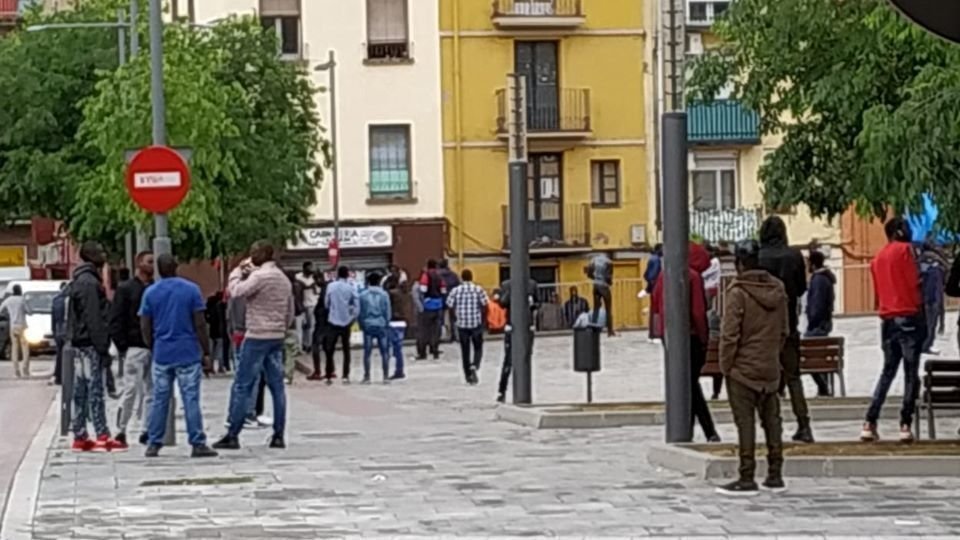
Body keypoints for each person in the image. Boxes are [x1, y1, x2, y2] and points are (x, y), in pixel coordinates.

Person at [716, 239, 789, 496]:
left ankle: (747, 476)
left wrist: (726, 365)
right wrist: (772, 355)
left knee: (745, 423)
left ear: (739, 264)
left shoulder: (737, 293)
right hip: (770, 367)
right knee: (772, 421)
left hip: (743, 370)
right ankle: (775, 473)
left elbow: (729, 335)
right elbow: (784, 331)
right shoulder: (778, 290)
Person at [214, 240, 294, 450]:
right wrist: (281, 328)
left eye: (253, 253)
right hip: (276, 336)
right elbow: (290, 311)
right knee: (277, 387)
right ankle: (279, 435)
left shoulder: (260, 276)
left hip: (257, 335)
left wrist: (236, 272)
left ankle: (233, 434)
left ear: (262, 255)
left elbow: (236, 292)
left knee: (243, 384)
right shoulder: (283, 278)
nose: (251, 257)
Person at [139, 254, 218, 458]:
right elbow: (200, 323)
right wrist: (206, 351)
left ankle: (154, 442)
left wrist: (152, 345)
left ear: (158, 269)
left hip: (162, 352)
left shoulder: (150, 292)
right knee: (190, 398)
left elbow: (145, 324)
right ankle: (197, 442)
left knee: (160, 399)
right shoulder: (191, 290)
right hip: (188, 351)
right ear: (176, 267)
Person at [861, 218, 925, 444]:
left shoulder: (877, 258)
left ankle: (870, 421)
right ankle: (905, 424)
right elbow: (915, 282)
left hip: (887, 320)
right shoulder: (907, 250)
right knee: (910, 373)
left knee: (887, 371)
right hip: (909, 316)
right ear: (899, 231)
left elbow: (878, 293)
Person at [650, 242, 720, 442]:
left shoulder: (664, 275)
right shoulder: (693, 277)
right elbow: (697, 312)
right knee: (691, 386)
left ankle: (690, 430)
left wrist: (659, 333)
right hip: (691, 338)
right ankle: (708, 431)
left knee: (686, 386)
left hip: (669, 338)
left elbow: (655, 305)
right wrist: (704, 338)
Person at [758, 215, 814, 443]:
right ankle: (804, 424)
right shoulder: (794, 256)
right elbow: (800, 289)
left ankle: (771, 425)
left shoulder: (759, 257)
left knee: (766, 379)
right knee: (793, 377)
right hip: (789, 324)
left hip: (764, 328)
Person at [67, 241, 123, 452]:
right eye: (100, 252)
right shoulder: (90, 283)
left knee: (81, 390)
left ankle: (80, 434)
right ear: (90, 256)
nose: (104, 255)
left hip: (80, 342)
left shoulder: (80, 280)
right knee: (95, 389)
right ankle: (102, 434)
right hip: (91, 343)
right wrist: (102, 346)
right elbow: (94, 317)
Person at [110, 251, 155, 449]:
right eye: (149, 261)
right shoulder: (126, 289)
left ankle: (147, 429)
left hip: (152, 347)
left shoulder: (154, 288)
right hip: (134, 346)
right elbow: (116, 318)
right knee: (131, 389)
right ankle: (121, 429)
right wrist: (123, 345)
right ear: (139, 263)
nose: (152, 265)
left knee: (151, 391)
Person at [496, 276, 539, 403]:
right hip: (512, 326)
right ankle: (502, 390)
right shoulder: (506, 285)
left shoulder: (532, 284)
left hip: (527, 326)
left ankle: (524, 390)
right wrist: (511, 292)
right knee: (508, 360)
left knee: (526, 358)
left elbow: (538, 303)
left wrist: (532, 303)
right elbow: (502, 303)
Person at [447, 269, 489, 385]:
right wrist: (483, 320)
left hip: (462, 324)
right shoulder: (478, 289)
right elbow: (485, 305)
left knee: (465, 351)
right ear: (471, 277)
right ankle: (475, 365)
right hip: (476, 323)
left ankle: (468, 375)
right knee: (478, 347)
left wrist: (455, 318)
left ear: (462, 278)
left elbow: (449, 305)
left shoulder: (456, 290)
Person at [804, 250, 836, 397]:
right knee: (819, 356)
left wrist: (811, 318)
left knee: (809, 357)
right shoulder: (826, 279)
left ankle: (823, 387)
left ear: (813, 264)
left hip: (816, 326)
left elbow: (816, 305)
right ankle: (823, 387)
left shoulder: (818, 280)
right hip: (824, 324)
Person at [324, 265, 358, 383]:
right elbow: (356, 304)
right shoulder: (351, 287)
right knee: (346, 349)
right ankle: (345, 375)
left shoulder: (331, 286)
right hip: (346, 321)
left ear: (338, 274)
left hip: (333, 320)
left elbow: (326, 303)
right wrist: (353, 317)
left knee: (330, 349)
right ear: (347, 275)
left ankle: (328, 375)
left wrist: (331, 310)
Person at [359, 272, 392, 384]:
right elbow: (387, 311)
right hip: (381, 324)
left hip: (368, 324)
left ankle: (367, 377)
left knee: (367, 352)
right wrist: (387, 323)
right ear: (379, 282)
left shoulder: (362, 295)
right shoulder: (384, 294)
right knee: (384, 352)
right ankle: (385, 377)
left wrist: (361, 323)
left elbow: (361, 312)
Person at [919, 243, 947, 355]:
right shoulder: (938, 263)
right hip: (933, 297)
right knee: (931, 322)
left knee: (925, 322)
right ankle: (926, 345)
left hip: (923, 297)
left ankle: (923, 345)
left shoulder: (919, 261)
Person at [416, 260, 447, 360]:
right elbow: (443, 290)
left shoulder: (426, 275)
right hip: (438, 305)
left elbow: (423, 289)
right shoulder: (440, 276)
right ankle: (435, 350)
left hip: (428, 305)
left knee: (425, 330)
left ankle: (423, 353)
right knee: (436, 330)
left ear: (428, 266)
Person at [384, 276, 409, 380]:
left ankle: (389, 371)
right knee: (398, 349)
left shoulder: (390, 294)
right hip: (402, 322)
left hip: (393, 321)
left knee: (389, 348)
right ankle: (399, 370)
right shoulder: (403, 293)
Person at [1, 285, 29, 377]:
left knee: (14, 347)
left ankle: (16, 370)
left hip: (13, 326)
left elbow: (1, 309)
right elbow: (29, 311)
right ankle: (25, 368)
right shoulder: (22, 300)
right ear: (20, 290)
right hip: (22, 326)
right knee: (25, 347)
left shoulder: (8, 300)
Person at [585, 253, 616, 337]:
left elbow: (589, 274)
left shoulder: (593, 260)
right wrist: (610, 282)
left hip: (595, 286)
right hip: (604, 286)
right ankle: (610, 331)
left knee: (596, 309)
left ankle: (593, 330)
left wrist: (596, 278)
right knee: (608, 309)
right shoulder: (609, 262)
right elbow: (608, 277)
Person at [308, 279, 330, 381]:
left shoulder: (322, 304)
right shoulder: (330, 301)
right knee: (327, 348)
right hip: (328, 327)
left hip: (320, 327)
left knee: (316, 347)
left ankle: (317, 371)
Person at [296, 262, 319, 353]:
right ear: (304, 268)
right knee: (300, 327)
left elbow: (317, 291)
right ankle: (300, 346)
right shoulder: (298, 277)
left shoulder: (314, 278)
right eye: (309, 267)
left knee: (310, 326)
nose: (311, 269)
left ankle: (308, 345)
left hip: (311, 305)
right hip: (300, 305)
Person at [52, 282, 69, 386]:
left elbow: (53, 319)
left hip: (58, 330)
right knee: (69, 355)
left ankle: (58, 376)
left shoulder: (56, 300)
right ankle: (66, 377)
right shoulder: (69, 300)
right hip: (67, 330)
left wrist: (54, 331)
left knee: (60, 354)